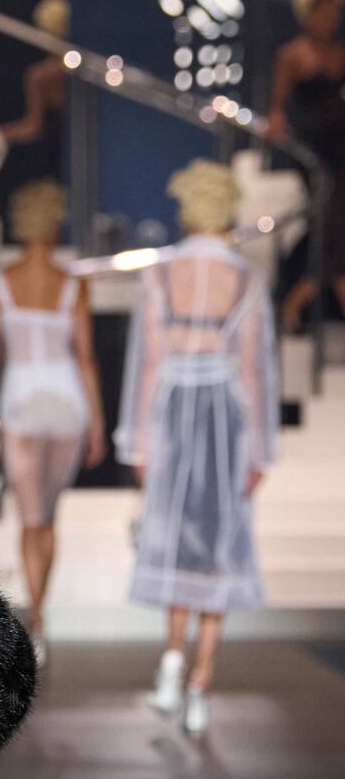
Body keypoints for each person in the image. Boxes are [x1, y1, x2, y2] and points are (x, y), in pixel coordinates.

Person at [115, 160, 278, 736]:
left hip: (173, 414)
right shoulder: (247, 278)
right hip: (225, 417)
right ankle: (201, 684)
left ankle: (172, 659)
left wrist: (137, 442)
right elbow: (255, 371)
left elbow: (149, 362)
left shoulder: (162, 275)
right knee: (218, 546)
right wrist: (260, 450)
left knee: (177, 541)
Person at [0, 178, 105, 664]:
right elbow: (86, 359)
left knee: (31, 516)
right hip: (66, 406)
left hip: (19, 403)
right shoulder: (72, 284)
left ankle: (35, 616)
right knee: (47, 517)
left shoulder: (0, 281)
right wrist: (98, 422)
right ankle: (39, 613)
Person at [266, 0, 345, 332]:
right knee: (332, 234)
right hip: (316, 158)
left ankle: (295, 304)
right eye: (324, 11)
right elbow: (277, 111)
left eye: (335, 11)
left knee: (335, 237)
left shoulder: (339, 52)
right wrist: (278, 125)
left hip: (342, 151)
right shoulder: (292, 55)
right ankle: (295, 302)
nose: (331, 18)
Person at [0, 0, 70, 184]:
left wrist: (1, 134)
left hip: (52, 161)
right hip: (86, 151)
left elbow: (34, 127)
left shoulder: (40, 76)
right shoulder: (80, 70)